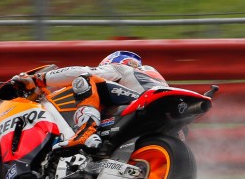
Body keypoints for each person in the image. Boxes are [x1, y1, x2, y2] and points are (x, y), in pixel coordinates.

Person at [11, 50, 168, 153]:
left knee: (84, 79)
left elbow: (82, 72)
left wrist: (39, 80)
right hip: (161, 117)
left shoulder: (120, 68)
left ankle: (85, 132)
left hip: (142, 103)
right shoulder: (150, 75)